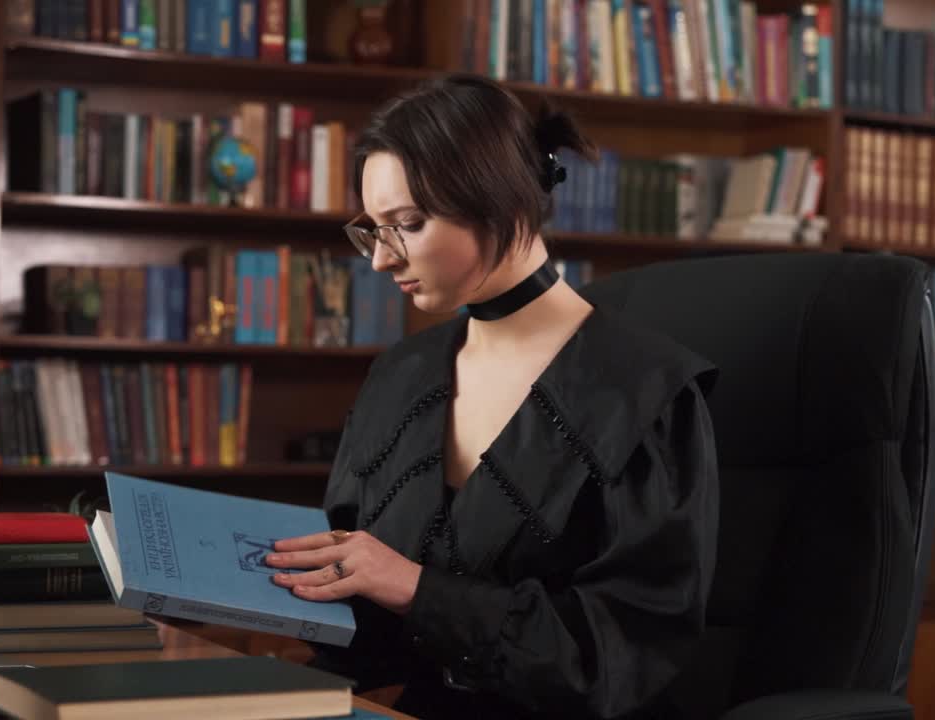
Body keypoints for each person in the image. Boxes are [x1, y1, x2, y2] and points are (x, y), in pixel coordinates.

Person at [261, 74, 720, 719]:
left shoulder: (647, 395)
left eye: (408, 225)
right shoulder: (399, 376)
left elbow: (616, 661)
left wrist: (417, 589)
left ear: (499, 202)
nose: (381, 261)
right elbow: (358, 603)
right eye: (372, 230)